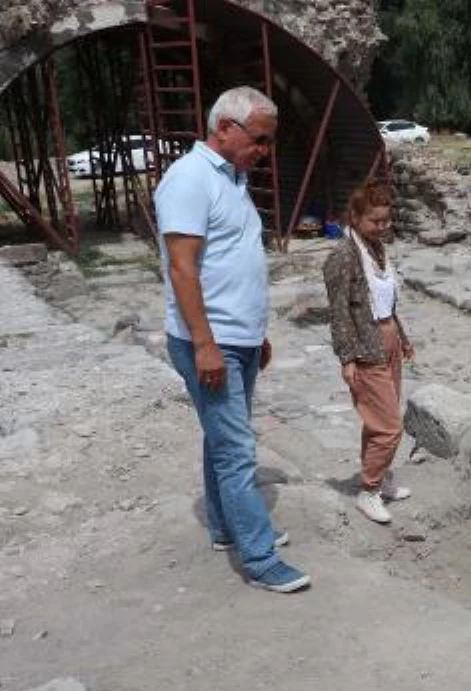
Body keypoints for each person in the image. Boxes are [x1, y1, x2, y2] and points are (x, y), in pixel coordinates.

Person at [156, 86, 309, 593]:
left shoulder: (233, 178)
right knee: (238, 450)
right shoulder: (190, 179)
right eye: (260, 141)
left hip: (236, 338)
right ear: (225, 128)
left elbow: (234, 264)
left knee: (223, 439)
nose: (264, 152)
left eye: (268, 143)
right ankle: (260, 559)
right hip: (210, 341)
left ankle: (225, 527)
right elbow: (183, 270)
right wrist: (205, 344)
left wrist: (255, 334)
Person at [322, 180, 415, 525]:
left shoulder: (377, 248)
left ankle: (378, 476)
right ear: (356, 217)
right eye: (375, 221)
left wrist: (402, 338)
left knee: (377, 423)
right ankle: (369, 491)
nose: (382, 226)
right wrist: (346, 358)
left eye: (386, 220)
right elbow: (340, 311)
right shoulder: (343, 256)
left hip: (387, 338)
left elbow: (386, 300)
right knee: (390, 427)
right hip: (365, 348)